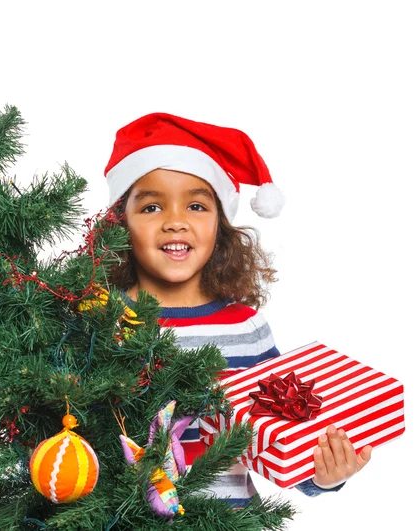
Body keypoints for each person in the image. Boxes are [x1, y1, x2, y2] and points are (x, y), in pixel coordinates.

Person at [102, 112, 373, 505]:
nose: (175, 222)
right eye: (151, 208)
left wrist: (323, 476)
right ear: (120, 223)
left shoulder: (246, 328)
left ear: (221, 225)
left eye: (196, 206)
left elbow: (282, 432)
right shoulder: (101, 319)